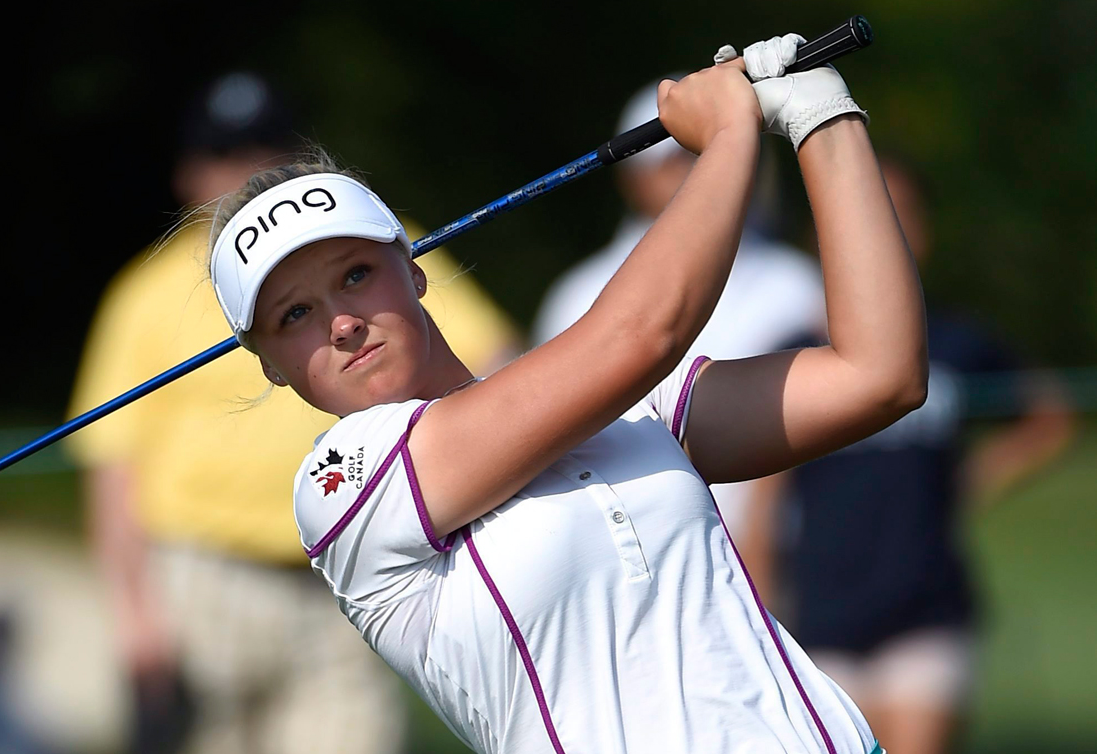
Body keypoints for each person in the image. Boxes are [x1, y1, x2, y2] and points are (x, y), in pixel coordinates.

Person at [201, 34, 925, 754]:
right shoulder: (343, 487)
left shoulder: (628, 401)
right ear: (266, 362)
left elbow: (880, 376)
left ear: (413, 270)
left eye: (356, 273)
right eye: (295, 314)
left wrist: (822, 121)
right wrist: (729, 135)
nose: (344, 322)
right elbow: (640, 334)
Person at [67, 72, 518, 754]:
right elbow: (113, 465)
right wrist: (136, 617)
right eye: (228, 153)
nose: (250, 170)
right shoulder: (146, 292)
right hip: (202, 583)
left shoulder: (369, 246)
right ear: (190, 174)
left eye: (269, 148)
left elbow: (500, 363)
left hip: (349, 575)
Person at [742, 154, 1076, 754]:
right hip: (824, 612)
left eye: (903, 215)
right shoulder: (796, 352)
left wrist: (975, 477)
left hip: (925, 603)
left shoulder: (956, 342)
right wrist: (761, 610)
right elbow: (768, 494)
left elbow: (1047, 417)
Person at [532, 74, 825, 539]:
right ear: (633, 179)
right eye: (675, 159)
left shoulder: (798, 283)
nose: (696, 171)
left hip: (795, 551)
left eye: (705, 153)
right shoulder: (575, 294)